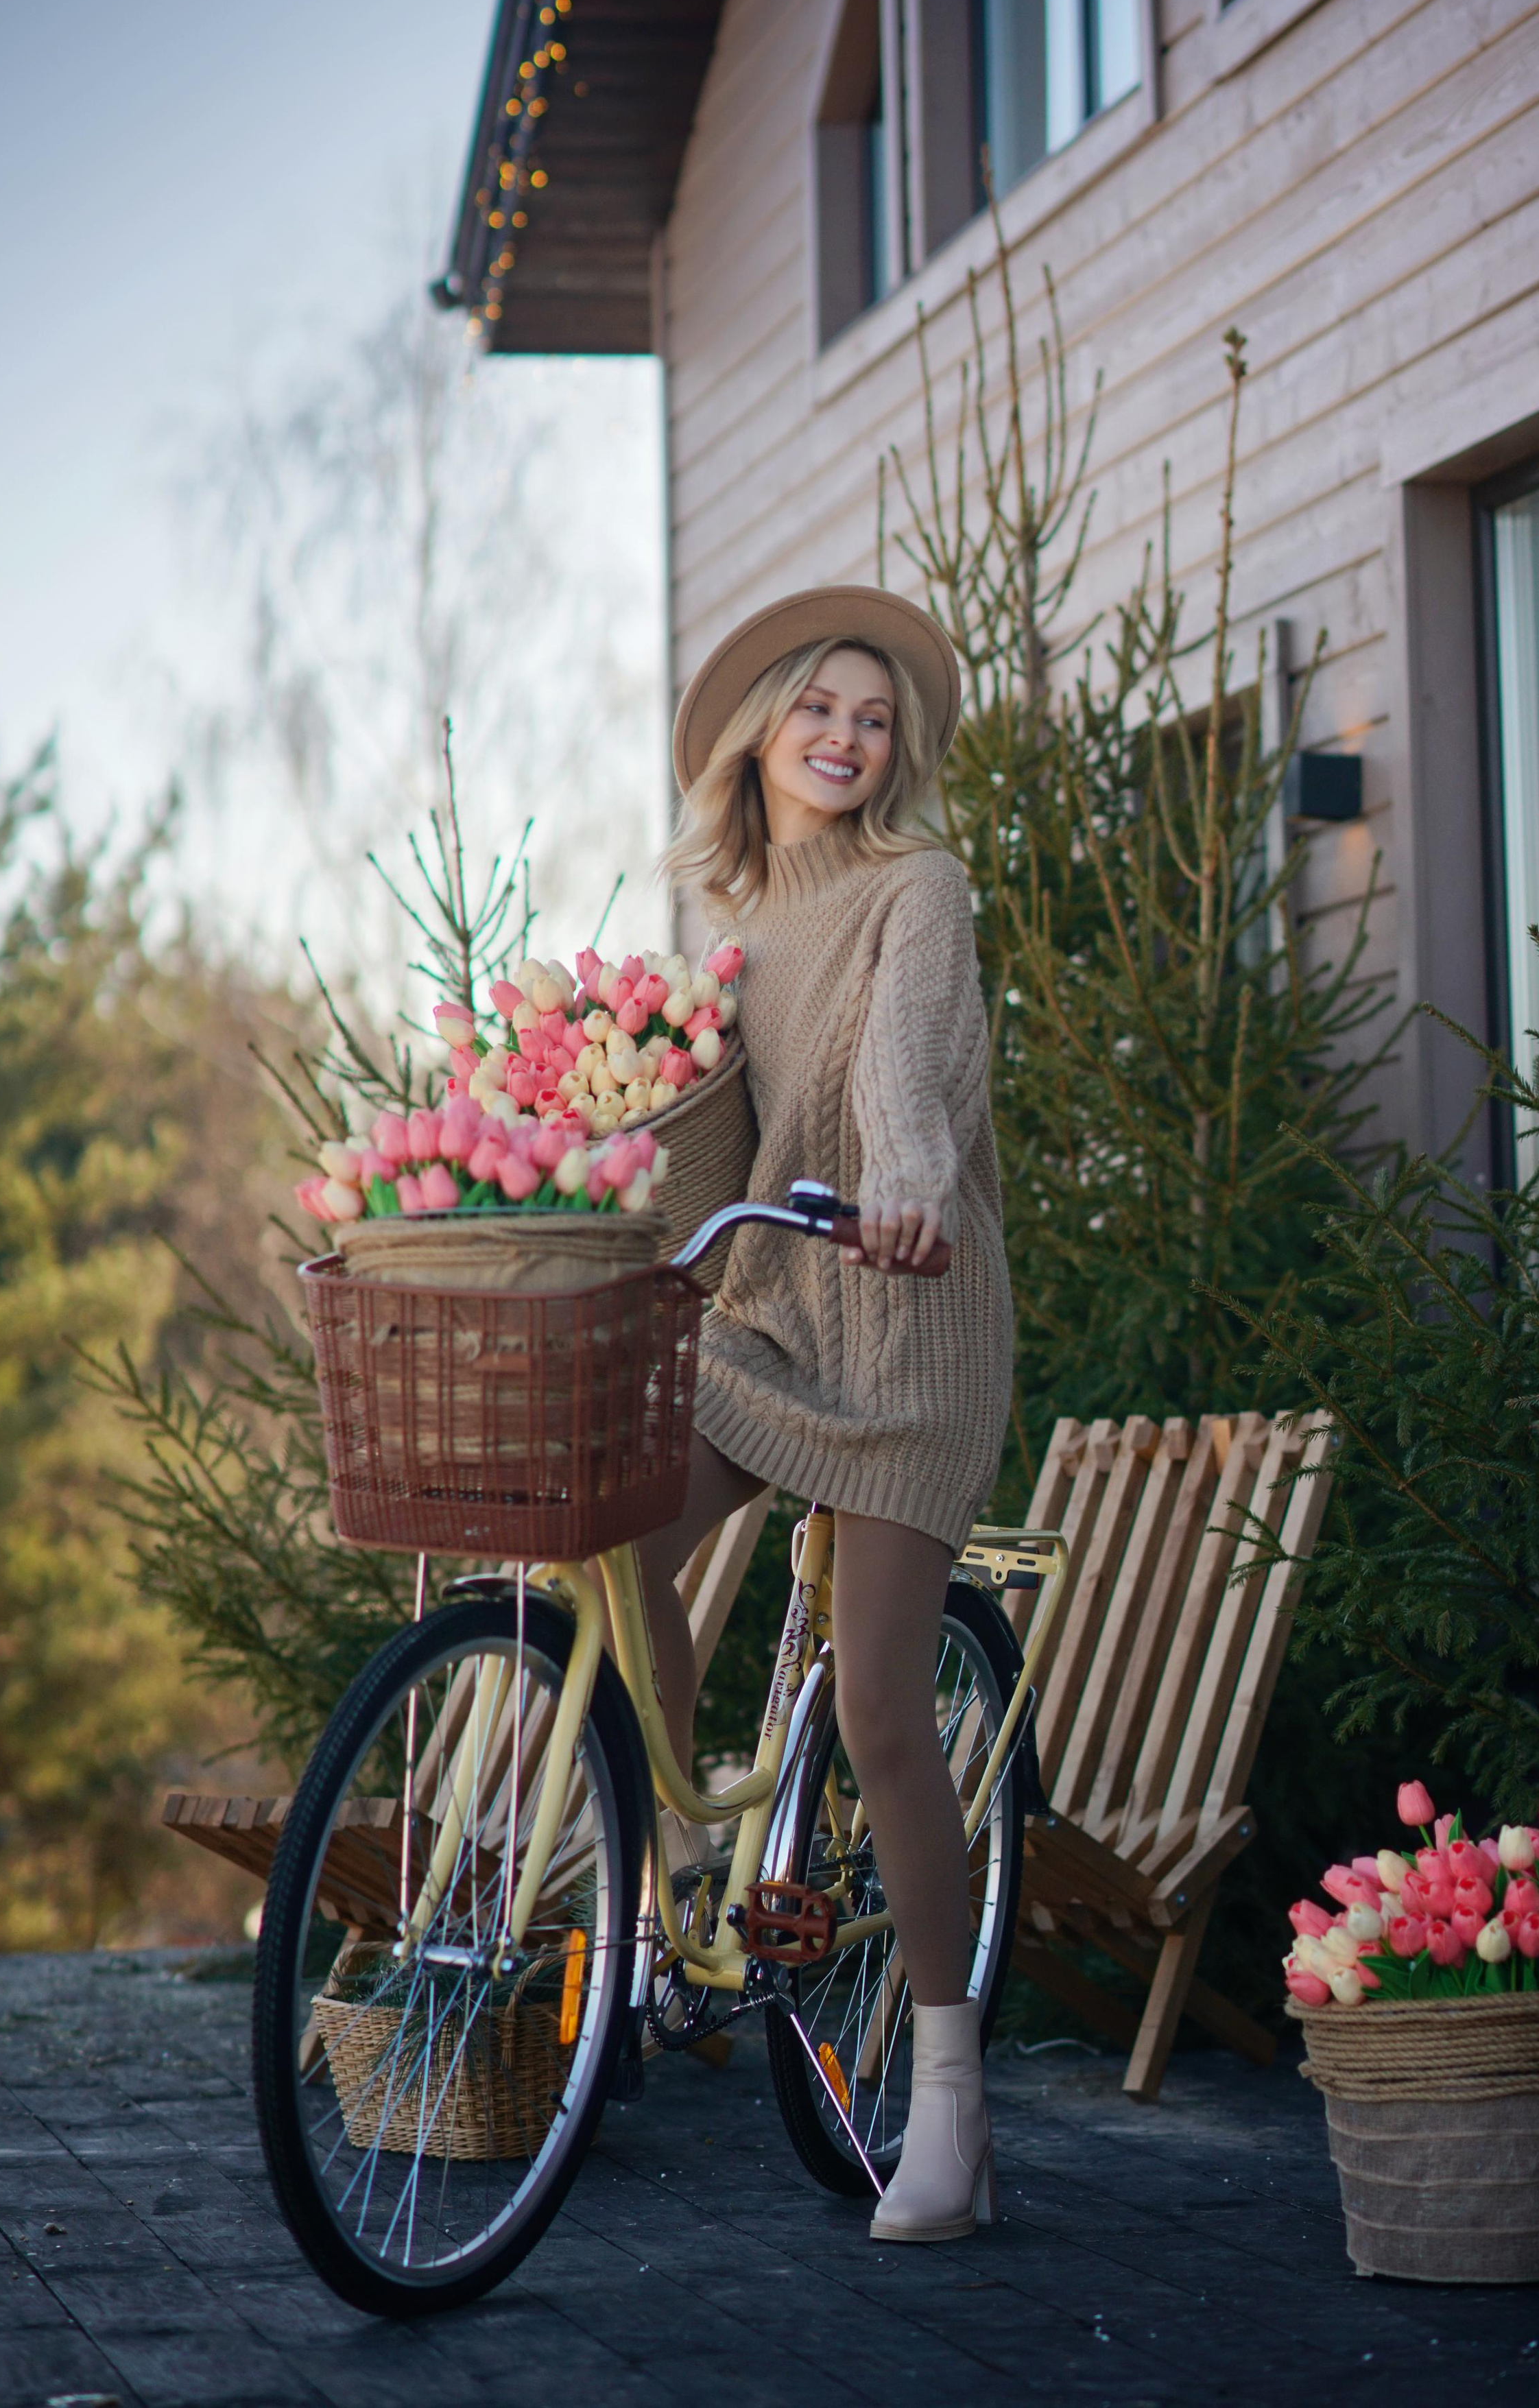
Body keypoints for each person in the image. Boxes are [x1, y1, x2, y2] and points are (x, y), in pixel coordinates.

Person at [639, 583, 1014, 2244]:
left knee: (877, 1710)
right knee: (608, 1520)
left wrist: (914, 1189)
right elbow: (695, 1158)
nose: (847, 737)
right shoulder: (724, 939)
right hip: (777, 1316)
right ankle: (660, 1850)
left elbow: (904, 1079)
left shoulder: (916, 889)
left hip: (913, 1324)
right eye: (821, 710)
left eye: (873, 717)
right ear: (761, 734)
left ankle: (948, 2103)